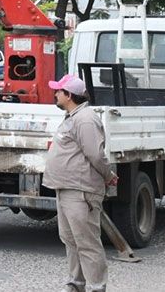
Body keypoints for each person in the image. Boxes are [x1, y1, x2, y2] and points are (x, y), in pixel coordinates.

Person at [43, 74, 119, 292]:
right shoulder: (72, 116)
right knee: (70, 240)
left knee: (86, 242)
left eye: (59, 91)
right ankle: (76, 285)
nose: (55, 94)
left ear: (69, 95)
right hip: (66, 188)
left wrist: (108, 175)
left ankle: (96, 287)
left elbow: (95, 154)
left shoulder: (85, 119)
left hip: (80, 190)